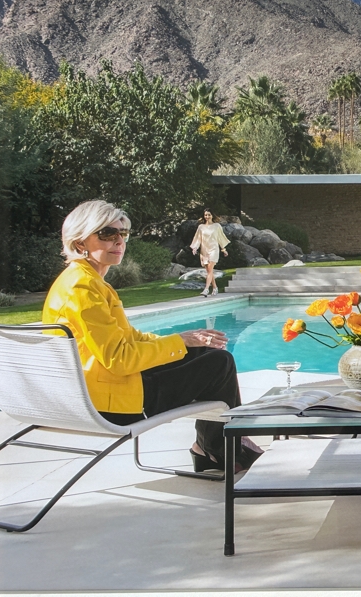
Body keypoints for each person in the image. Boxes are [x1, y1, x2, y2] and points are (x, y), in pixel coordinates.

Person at [42, 200, 262, 474]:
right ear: (79, 243)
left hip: (102, 392)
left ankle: (214, 446)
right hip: (112, 405)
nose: (118, 241)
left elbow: (129, 338)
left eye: (123, 233)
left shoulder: (86, 281)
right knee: (219, 364)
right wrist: (179, 342)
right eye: (107, 234)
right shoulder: (83, 288)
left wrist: (184, 339)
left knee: (205, 353)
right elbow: (120, 360)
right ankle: (221, 446)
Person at [190, 208, 230, 297]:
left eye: (209, 215)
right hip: (204, 250)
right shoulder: (201, 227)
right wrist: (195, 248)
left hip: (214, 250)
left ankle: (206, 289)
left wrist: (223, 250)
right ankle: (215, 288)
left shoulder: (217, 226)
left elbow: (220, 238)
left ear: (212, 215)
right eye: (205, 215)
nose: (207, 216)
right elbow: (198, 238)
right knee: (209, 271)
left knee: (210, 270)